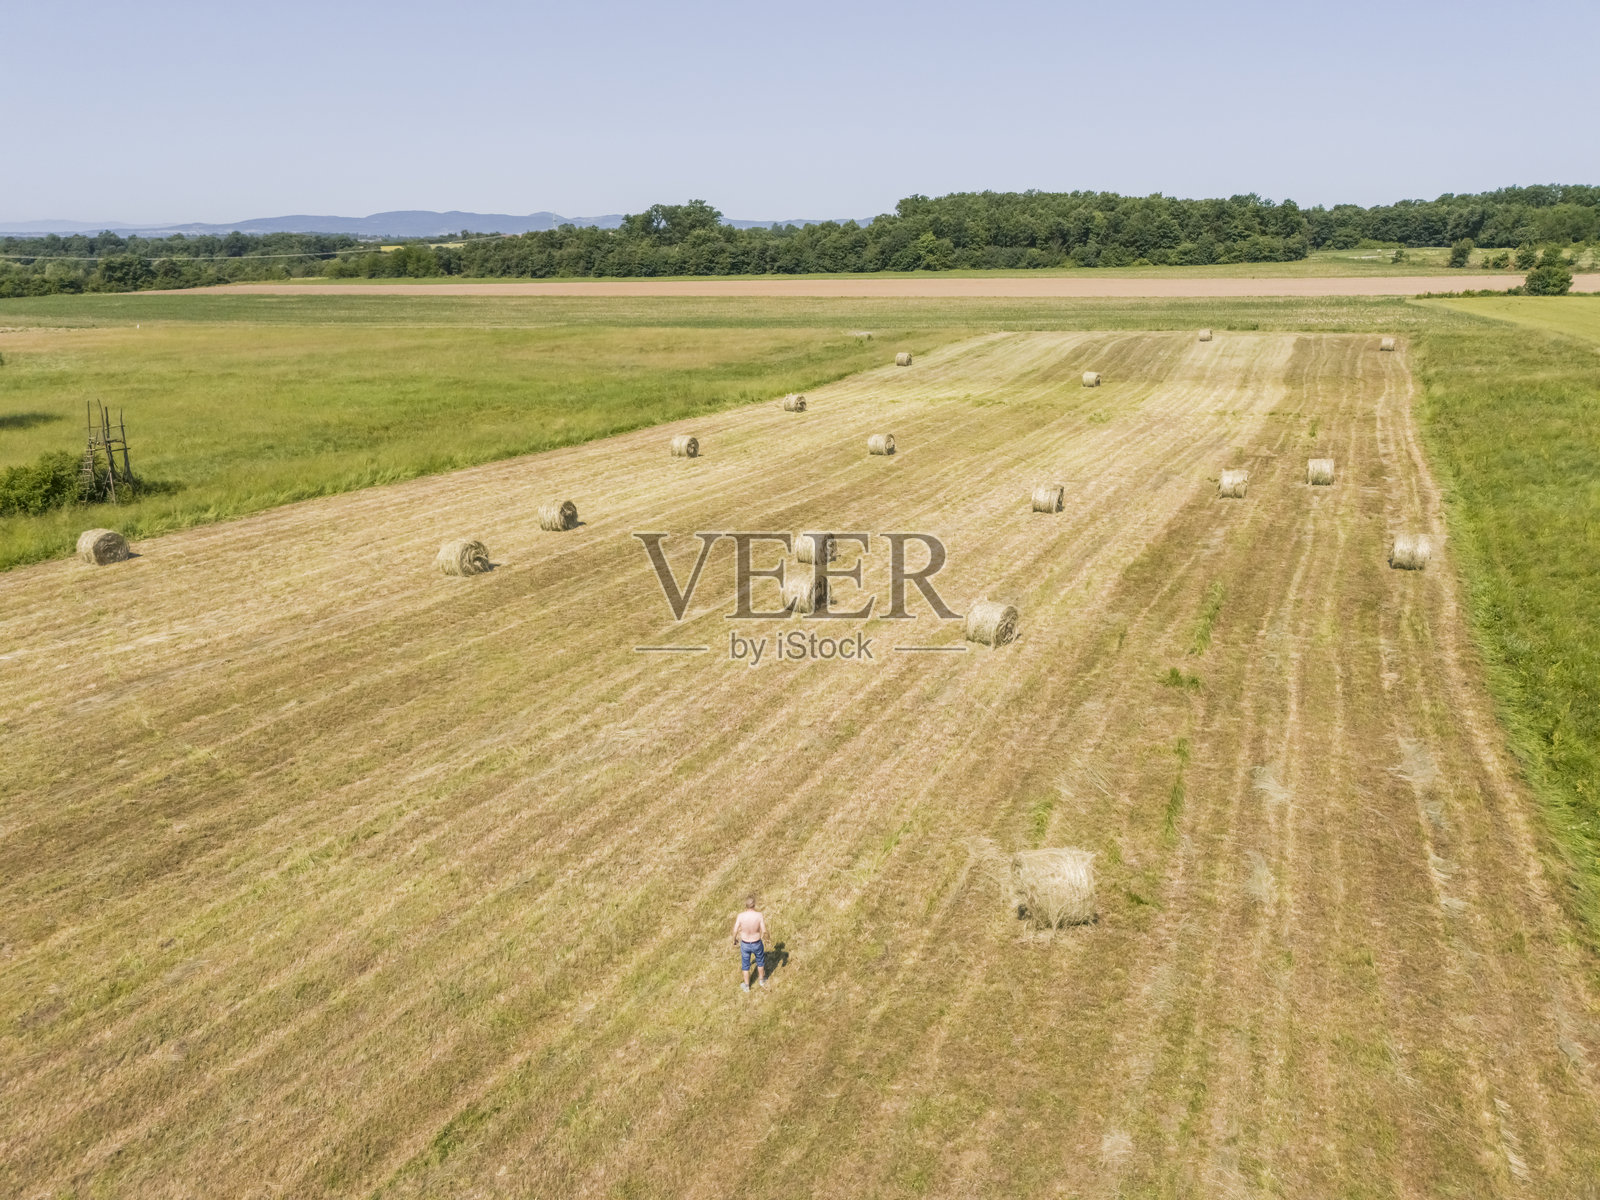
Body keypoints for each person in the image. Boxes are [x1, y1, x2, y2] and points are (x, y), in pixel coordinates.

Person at [733, 896, 768, 991]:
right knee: (760, 962)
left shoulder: (741, 916)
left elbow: (735, 930)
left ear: (746, 905)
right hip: (757, 942)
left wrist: (734, 939)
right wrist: (766, 938)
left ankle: (747, 986)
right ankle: (761, 981)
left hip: (745, 943)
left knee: (745, 965)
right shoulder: (759, 915)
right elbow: (764, 930)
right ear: (754, 905)